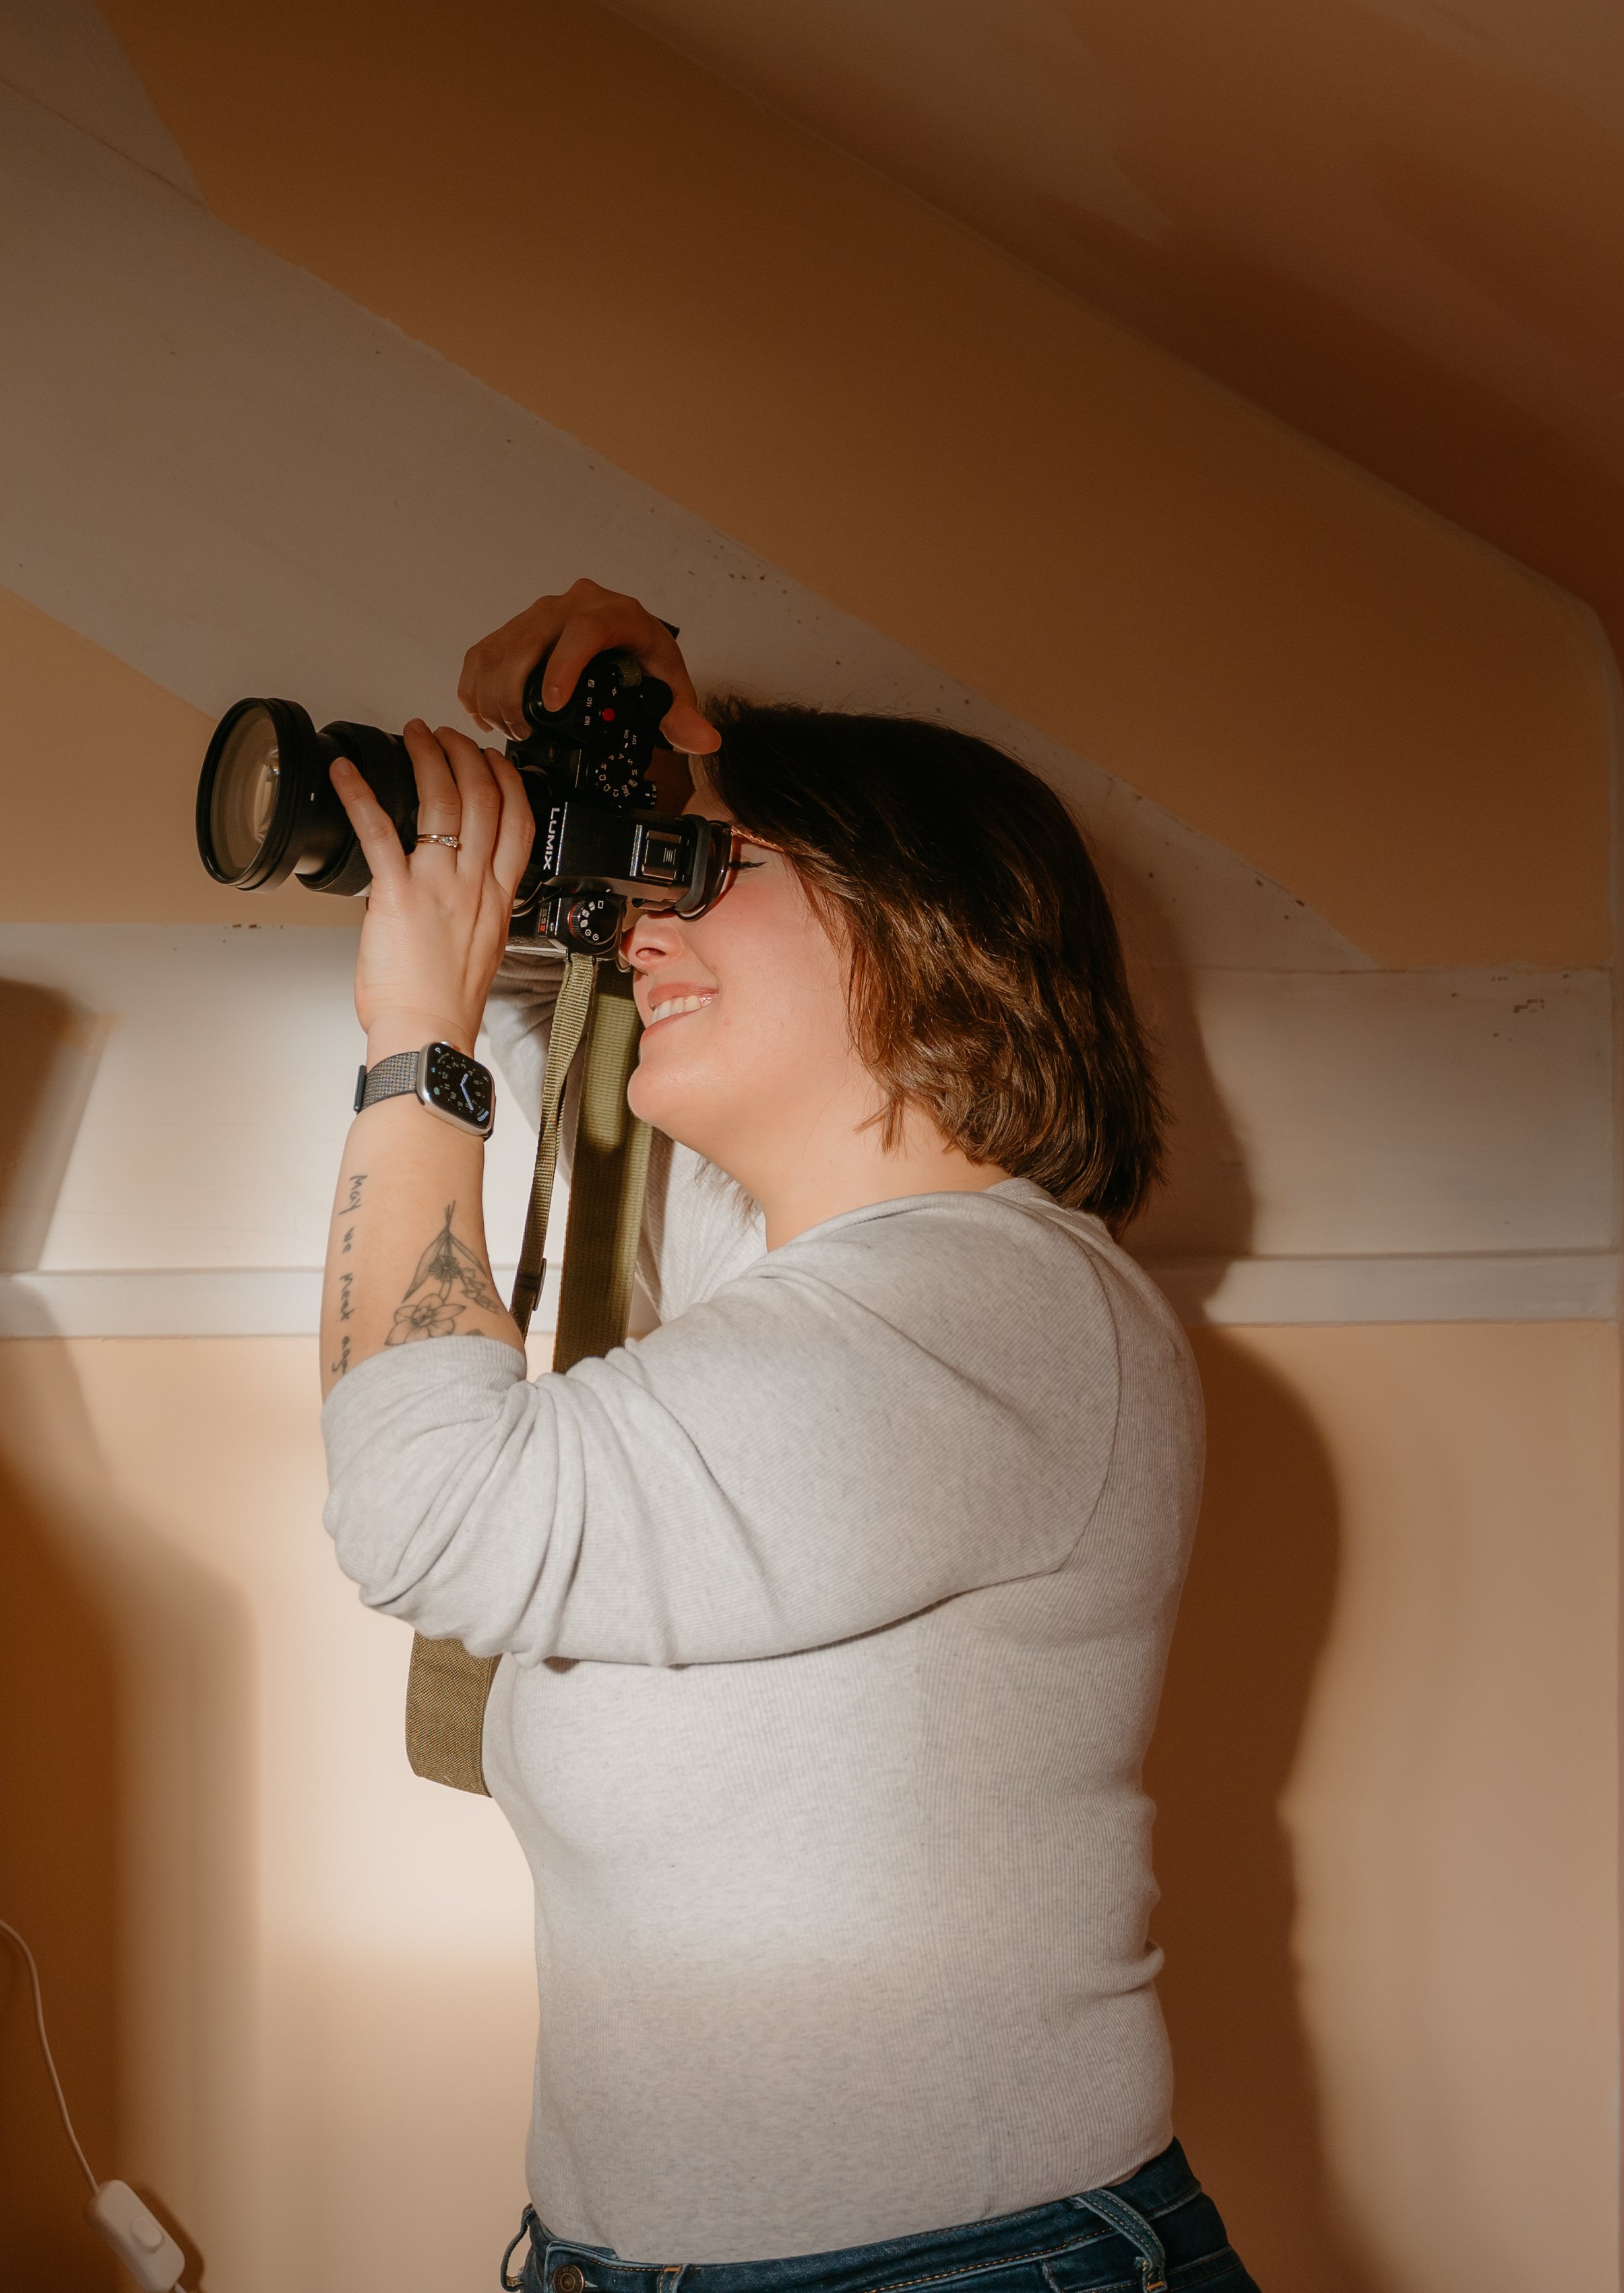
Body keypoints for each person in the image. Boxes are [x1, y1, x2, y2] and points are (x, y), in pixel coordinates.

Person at [318, 580, 1259, 2293]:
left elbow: (429, 1512)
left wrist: (413, 1054)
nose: (641, 930)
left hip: (958, 2271)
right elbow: (576, 1010)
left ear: (927, 923)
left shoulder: (992, 1315)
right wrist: (649, 754)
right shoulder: (830, 1278)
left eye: (714, 873)